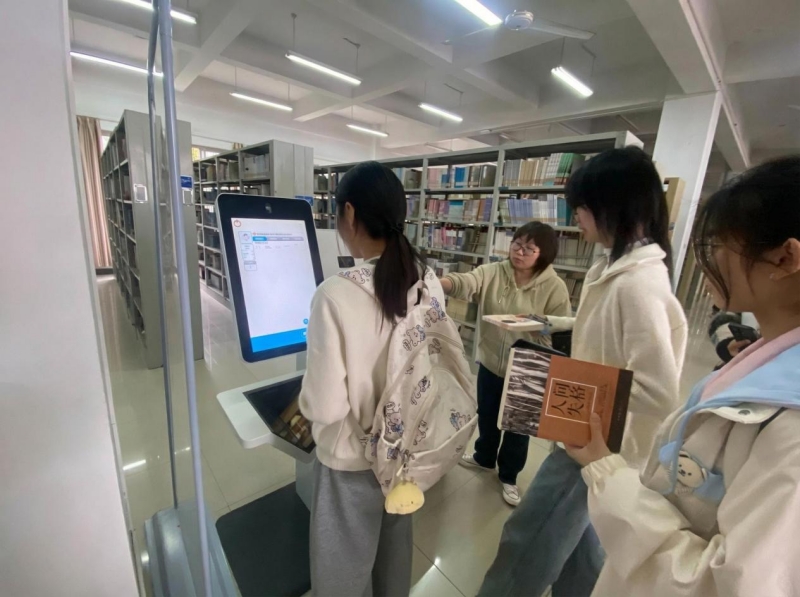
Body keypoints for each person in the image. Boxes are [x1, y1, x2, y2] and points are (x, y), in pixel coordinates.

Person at [567, 156, 800, 596]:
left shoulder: (790, 432)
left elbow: (727, 582)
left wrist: (606, 470)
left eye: (721, 244)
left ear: (785, 257)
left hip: (602, 447)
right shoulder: (759, 357)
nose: (708, 259)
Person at [479, 146, 687, 596]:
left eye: (582, 206)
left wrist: (566, 390)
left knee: (527, 544)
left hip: (591, 444)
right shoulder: (612, 266)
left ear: (612, 206)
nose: (575, 216)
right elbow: (606, 334)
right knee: (583, 554)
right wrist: (550, 324)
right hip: (591, 441)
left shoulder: (638, 284)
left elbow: (659, 392)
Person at [299, 161, 433, 597]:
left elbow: (324, 407)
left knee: (342, 574)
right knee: (393, 559)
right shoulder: (426, 279)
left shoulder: (334, 294)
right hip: (404, 453)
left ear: (350, 214)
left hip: (352, 462)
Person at [440, 221, 571, 506]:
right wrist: (439, 284)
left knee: (518, 428)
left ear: (543, 254)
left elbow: (562, 327)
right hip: (491, 362)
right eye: (517, 244)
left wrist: (536, 324)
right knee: (487, 415)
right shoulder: (494, 271)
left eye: (529, 249)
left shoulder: (554, 287)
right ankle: (484, 457)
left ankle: (509, 476)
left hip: (528, 367)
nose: (519, 252)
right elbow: (467, 282)